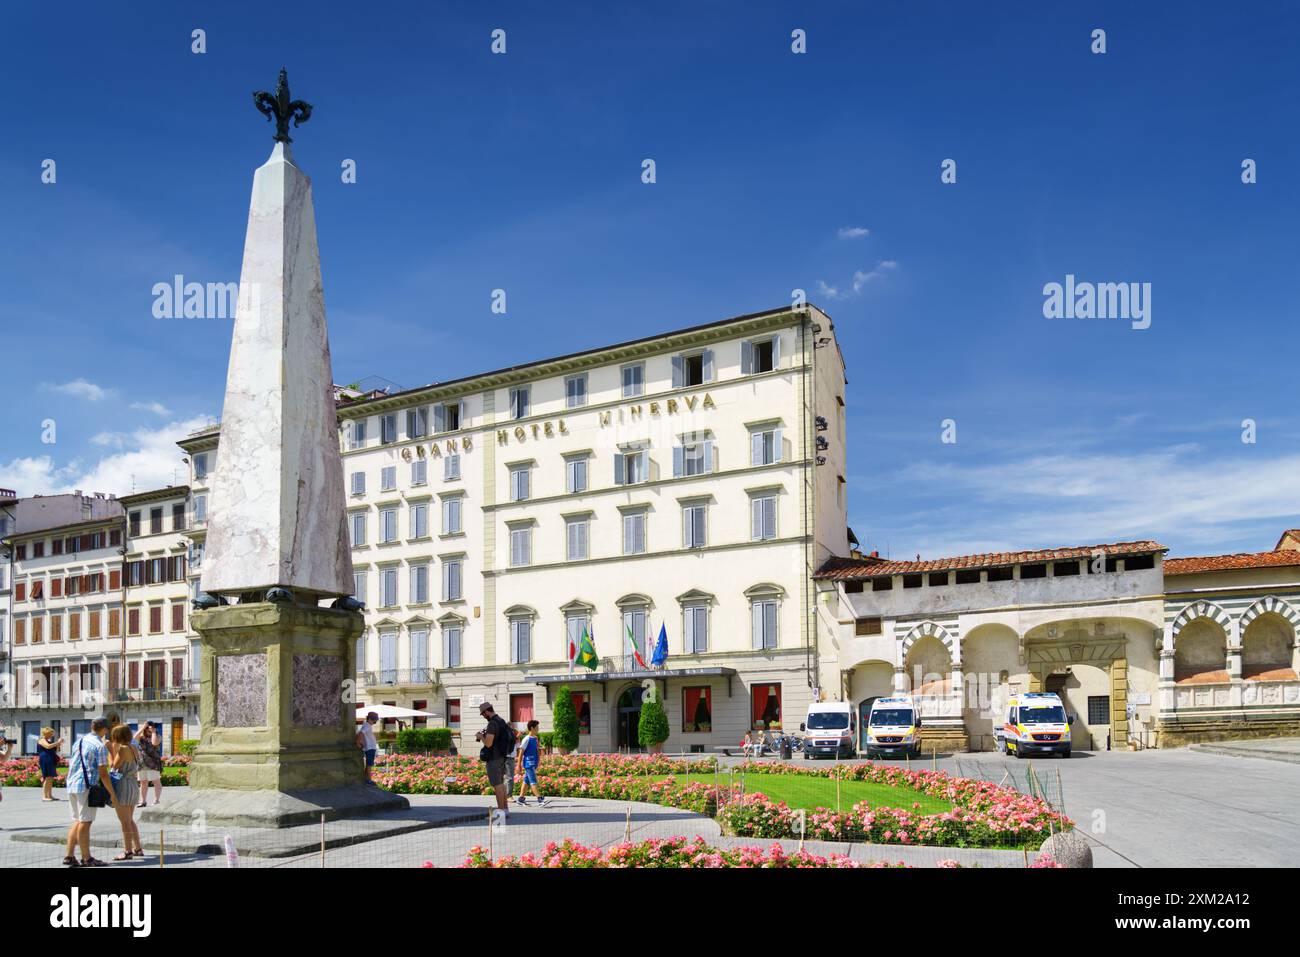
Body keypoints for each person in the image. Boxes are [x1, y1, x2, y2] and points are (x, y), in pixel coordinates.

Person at [63, 718, 116, 867]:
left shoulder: (79, 741)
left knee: (78, 821)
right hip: (86, 786)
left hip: (72, 783)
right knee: (86, 822)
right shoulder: (99, 746)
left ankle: (69, 855)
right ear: (104, 729)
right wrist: (111, 792)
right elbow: (103, 773)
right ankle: (87, 858)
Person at [107, 725, 143, 860]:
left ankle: (128, 851)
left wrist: (110, 751)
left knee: (125, 822)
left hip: (123, 785)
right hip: (133, 785)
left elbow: (113, 767)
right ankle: (138, 848)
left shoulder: (122, 749)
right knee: (130, 820)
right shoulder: (133, 748)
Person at [474, 702, 512, 825]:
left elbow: (489, 743)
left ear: (486, 712)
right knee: (500, 784)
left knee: (497, 785)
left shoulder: (492, 723)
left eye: (483, 714)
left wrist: (481, 736)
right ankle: (505, 810)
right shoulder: (501, 720)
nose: (483, 716)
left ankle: (500, 813)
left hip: (494, 759)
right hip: (502, 757)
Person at [514, 720, 546, 807]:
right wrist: (518, 765)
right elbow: (521, 752)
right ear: (532, 728)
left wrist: (538, 760)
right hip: (528, 764)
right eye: (537, 727)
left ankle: (521, 799)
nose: (538, 729)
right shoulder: (526, 739)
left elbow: (536, 750)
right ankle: (540, 799)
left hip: (533, 763)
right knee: (533, 781)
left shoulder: (535, 738)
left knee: (526, 781)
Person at [135, 724, 163, 807]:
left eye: (150, 727)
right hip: (142, 763)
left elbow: (154, 743)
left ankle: (156, 800)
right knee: (143, 782)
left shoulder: (157, 736)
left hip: (153, 764)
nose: (148, 729)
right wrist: (142, 728)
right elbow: (134, 738)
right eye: (147, 728)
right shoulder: (141, 737)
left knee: (156, 781)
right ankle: (143, 801)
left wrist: (153, 732)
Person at [37, 727, 63, 801]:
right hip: (45, 759)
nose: (52, 735)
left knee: (51, 777)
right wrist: (57, 742)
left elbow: (56, 750)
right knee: (47, 777)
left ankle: (50, 795)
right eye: (50, 733)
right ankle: (45, 796)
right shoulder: (41, 740)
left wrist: (59, 744)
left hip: (51, 759)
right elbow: (48, 747)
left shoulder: (49, 741)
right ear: (46, 733)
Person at [356, 711, 379, 784]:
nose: (374, 721)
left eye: (375, 720)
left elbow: (361, 733)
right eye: (373, 719)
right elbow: (361, 733)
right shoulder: (367, 725)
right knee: (369, 765)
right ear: (369, 719)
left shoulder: (367, 725)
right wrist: (359, 742)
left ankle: (366, 779)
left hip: (370, 747)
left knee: (369, 765)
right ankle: (369, 780)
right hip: (370, 748)